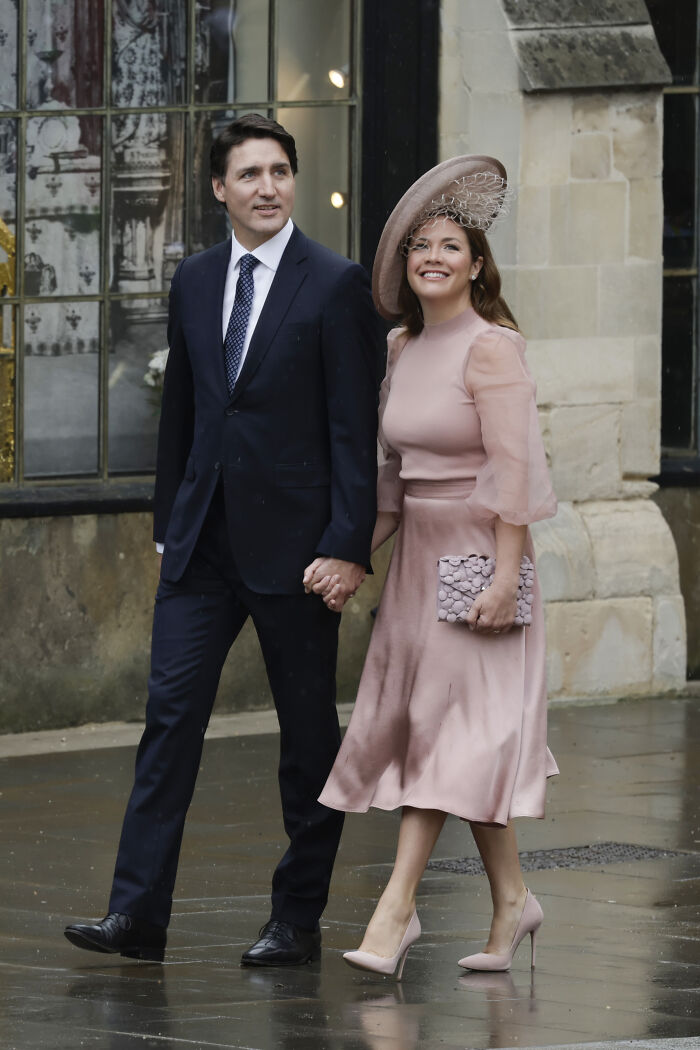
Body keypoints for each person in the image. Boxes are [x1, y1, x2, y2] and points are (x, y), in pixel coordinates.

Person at [64, 114, 382, 967]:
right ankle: (136, 915)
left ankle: (296, 920)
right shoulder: (196, 280)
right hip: (201, 549)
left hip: (300, 554)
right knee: (168, 722)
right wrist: (168, 524)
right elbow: (186, 414)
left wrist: (349, 545)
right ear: (219, 189)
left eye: (280, 171)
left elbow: (356, 428)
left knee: (306, 737)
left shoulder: (337, 283)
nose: (268, 187)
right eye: (250, 175)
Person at [317, 155, 559, 978]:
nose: (433, 256)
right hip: (418, 563)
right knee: (446, 735)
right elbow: (391, 480)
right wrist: (354, 560)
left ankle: (395, 912)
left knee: (442, 741)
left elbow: (515, 475)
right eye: (420, 245)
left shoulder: (494, 350)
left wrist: (503, 576)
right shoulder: (399, 345)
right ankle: (513, 901)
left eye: (449, 245)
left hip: (479, 564)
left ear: (477, 264)